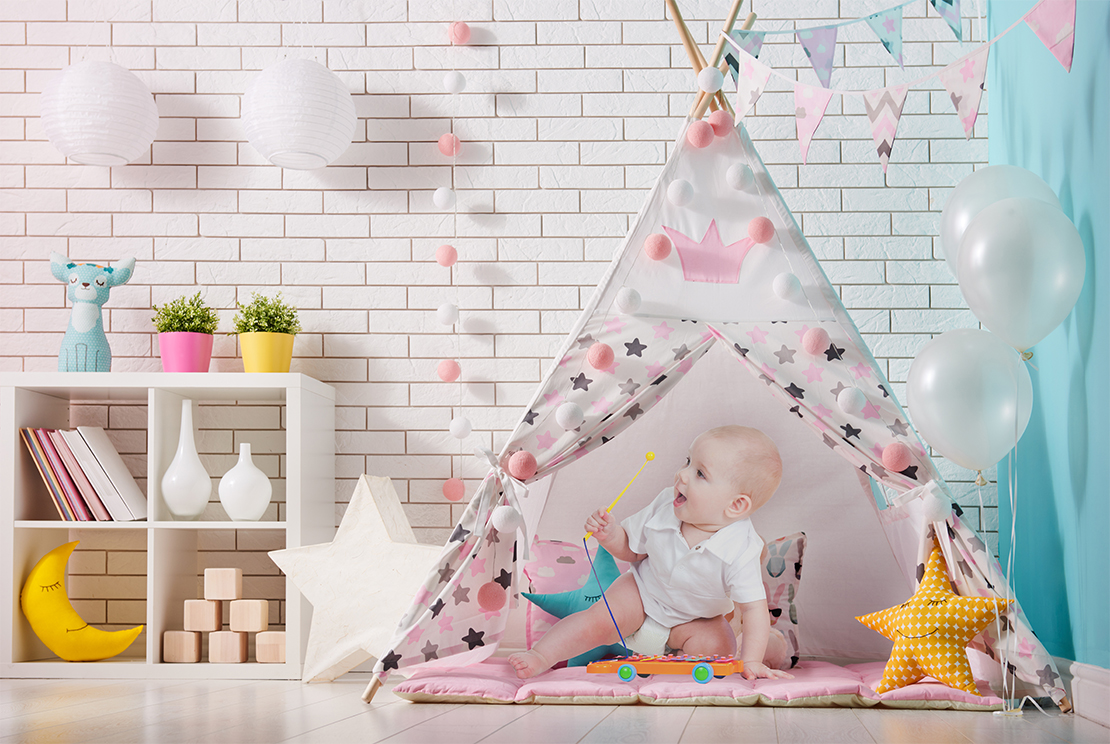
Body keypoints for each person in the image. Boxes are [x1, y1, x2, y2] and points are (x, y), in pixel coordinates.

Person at [509, 425, 793, 680]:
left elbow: (754, 608)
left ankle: (673, 672)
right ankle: (541, 656)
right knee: (596, 621)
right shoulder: (664, 507)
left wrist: (752, 660)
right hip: (641, 595)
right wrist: (610, 535)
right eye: (687, 461)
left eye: (699, 473)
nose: (681, 474)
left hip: (696, 619)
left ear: (736, 506)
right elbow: (631, 551)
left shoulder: (741, 547)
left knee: (719, 647)